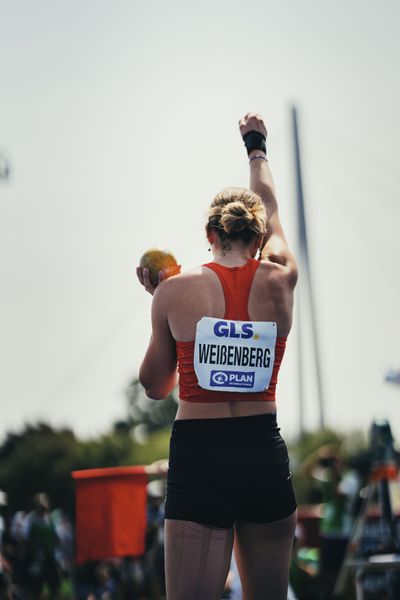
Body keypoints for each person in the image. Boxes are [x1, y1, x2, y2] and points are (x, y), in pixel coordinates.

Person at [137, 112, 298, 600]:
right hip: (262, 454)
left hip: (202, 456)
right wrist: (257, 147)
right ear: (260, 235)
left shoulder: (175, 291)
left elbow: (155, 385)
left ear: (210, 234)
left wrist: (159, 302)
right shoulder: (282, 278)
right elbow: (269, 205)